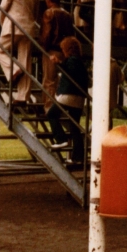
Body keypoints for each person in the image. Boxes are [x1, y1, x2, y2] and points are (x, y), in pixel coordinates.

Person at [0, 0, 42, 105]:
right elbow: (35, 12)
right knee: (26, 61)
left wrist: (3, 23)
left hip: (13, 25)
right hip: (29, 27)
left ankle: (13, 69)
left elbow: (4, 6)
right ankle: (23, 96)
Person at [47, 36, 88, 164]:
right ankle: (78, 157)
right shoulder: (80, 62)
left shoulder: (72, 60)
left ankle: (61, 139)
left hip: (68, 95)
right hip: (79, 98)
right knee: (75, 127)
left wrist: (58, 63)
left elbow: (70, 72)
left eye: (63, 49)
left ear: (67, 49)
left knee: (52, 114)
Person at [38, 0, 74, 110]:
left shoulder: (49, 13)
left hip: (52, 50)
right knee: (59, 81)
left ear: (48, 0)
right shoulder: (67, 14)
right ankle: (57, 107)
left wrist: (43, 47)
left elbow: (46, 34)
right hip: (64, 51)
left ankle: (48, 108)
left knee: (49, 81)